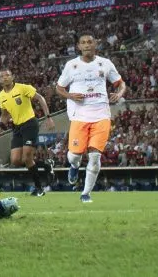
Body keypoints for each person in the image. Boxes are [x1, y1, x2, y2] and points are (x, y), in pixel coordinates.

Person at [55, 31, 126, 203]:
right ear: (79, 46)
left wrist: (119, 93)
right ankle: (73, 166)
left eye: (90, 42)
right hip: (79, 116)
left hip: (101, 115)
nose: (87, 45)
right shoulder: (71, 65)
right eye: (83, 42)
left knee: (94, 156)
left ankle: (85, 193)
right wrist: (71, 96)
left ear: (95, 45)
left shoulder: (105, 63)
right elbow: (59, 87)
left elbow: (121, 83)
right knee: (75, 155)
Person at [0, 69, 55, 196]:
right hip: (17, 127)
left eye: (7, 75)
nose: (5, 77)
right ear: (0, 80)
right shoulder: (1, 96)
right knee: (16, 160)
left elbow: (40, 98)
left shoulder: (23, 88)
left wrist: (48, 117)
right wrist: (1, 127)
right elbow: (5, 114)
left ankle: (39, 188)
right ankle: (46, 165)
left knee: (27, 156)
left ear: (12, 77)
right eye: (2, 76)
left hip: (30, 123)